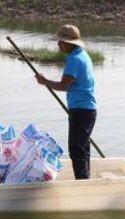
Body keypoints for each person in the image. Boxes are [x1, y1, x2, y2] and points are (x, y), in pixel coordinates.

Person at [35, 24, 97, 180]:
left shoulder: (75, 60)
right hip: (85, 109)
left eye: (60, 42)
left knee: (76, 148)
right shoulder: (82, 54)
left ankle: (82, 183)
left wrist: (44, 81)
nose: (58, 44)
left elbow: (63, 86)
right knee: (82, 147)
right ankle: (85, 180)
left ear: (69, 43)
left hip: (82, 110)